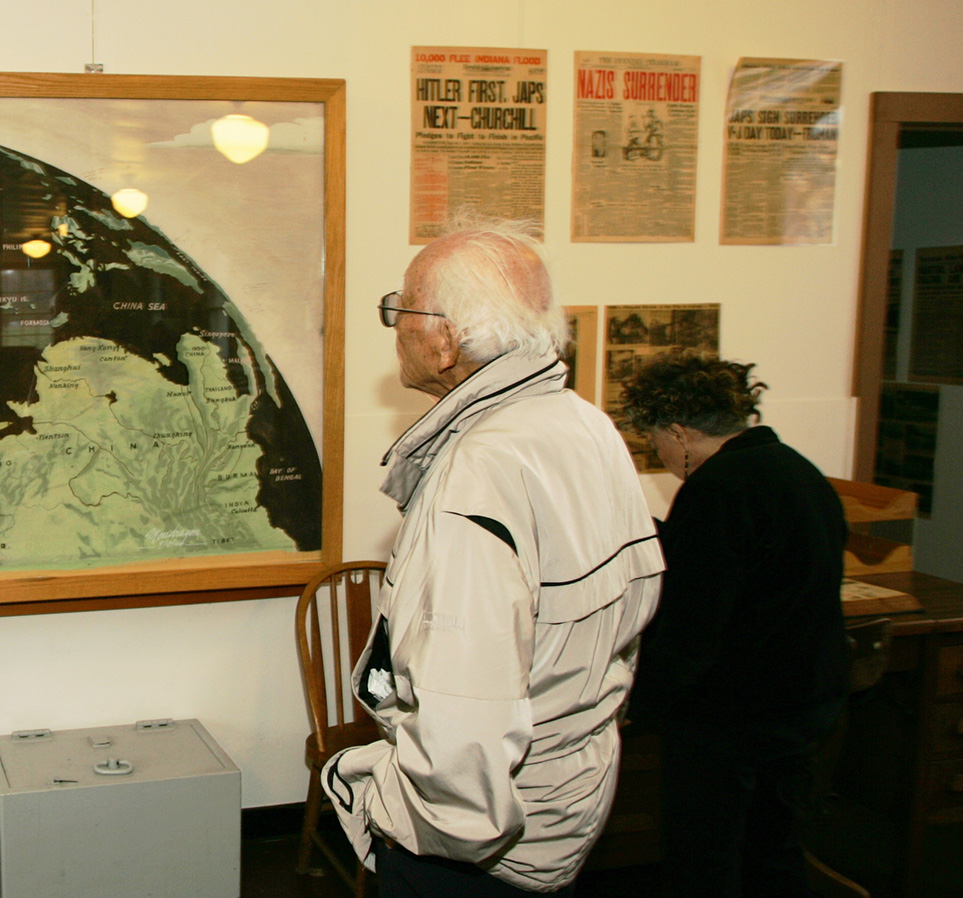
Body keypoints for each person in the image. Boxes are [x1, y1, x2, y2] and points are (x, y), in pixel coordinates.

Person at [324, 217, 664, 895]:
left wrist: (388, 808)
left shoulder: (478, 471)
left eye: (402, 308)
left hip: (475, 857)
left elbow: (460, 735)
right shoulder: (584, 424)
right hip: (565, 805)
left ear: (445, 340)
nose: (394, 326)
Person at [619, 355, 849, 898]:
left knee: (706, 861)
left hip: (732, 719)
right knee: (774, 849)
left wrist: (637, 706)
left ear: (678, 432)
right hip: (803, 704)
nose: (659, 454)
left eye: (655, 441)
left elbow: (692, 627)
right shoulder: (799, 471)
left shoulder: (716, 490)